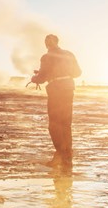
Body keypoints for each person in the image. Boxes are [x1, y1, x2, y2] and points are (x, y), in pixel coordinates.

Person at [30, 34, 82, 169]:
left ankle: (60, 155)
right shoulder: (69, 54)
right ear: (57, 42)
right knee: (66, 124)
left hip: (56, 90)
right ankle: (67, 158)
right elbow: (77, 73)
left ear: (46, 44)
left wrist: (34, 77)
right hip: (68, 89)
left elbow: (41, 78)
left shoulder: (46, 57)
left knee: (54, 125)